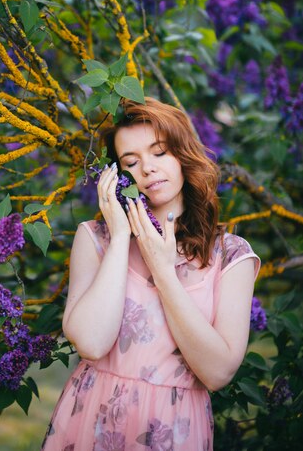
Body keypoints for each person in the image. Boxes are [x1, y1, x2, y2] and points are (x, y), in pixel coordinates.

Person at [41, 97, 260, 451]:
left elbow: (218, 373)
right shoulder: (95, 238)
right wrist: (122, 237)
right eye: (131, 161)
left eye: (159, 152)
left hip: (173, 430)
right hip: (90, 418)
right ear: (118, 174)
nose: (147, 168)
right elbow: (91, 343)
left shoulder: (231, 255)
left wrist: (162, 269)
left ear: (182, 153)